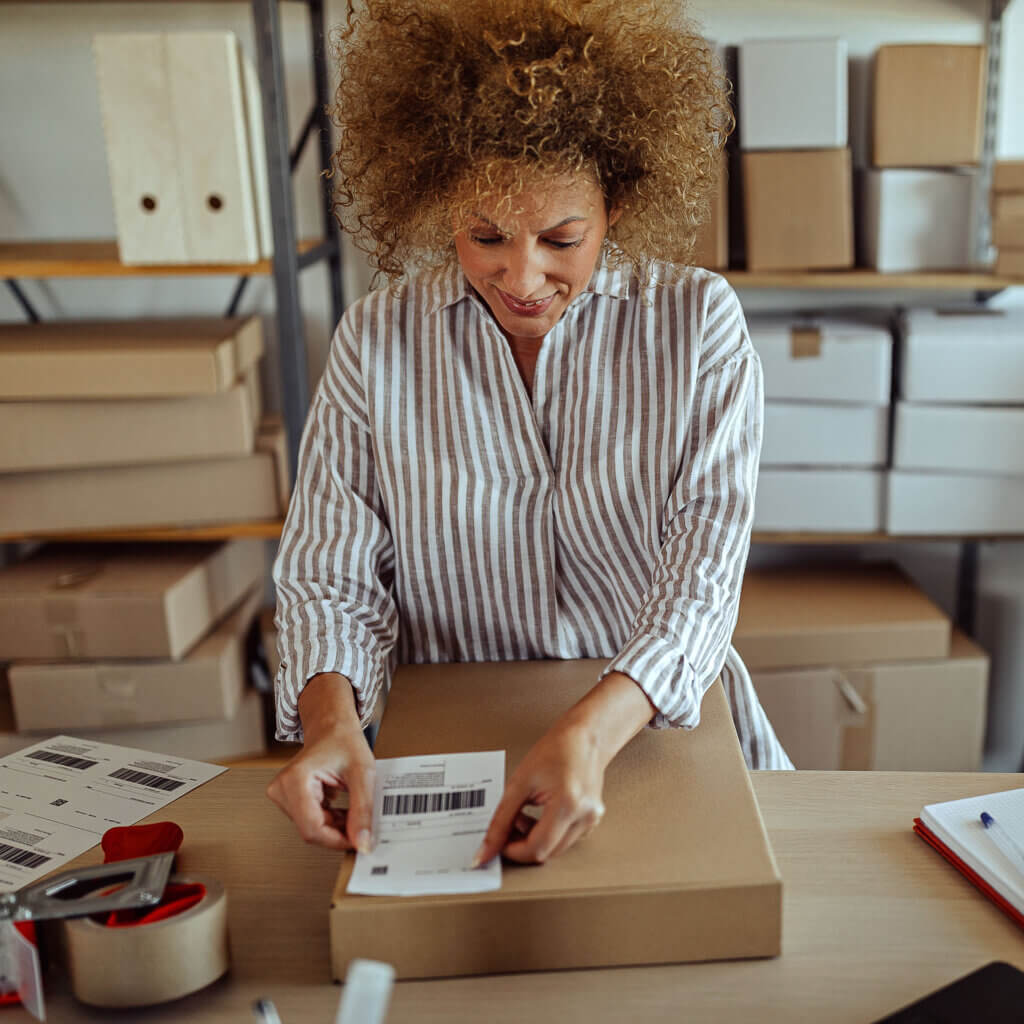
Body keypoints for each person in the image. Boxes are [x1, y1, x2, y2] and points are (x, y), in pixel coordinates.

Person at [267, 0, 792, 867]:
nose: (522, 276)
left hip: (647, 728)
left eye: (561, 238)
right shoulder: (376, 340)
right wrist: (329, 723)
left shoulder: (698, 326)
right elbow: (330, 574)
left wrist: (591, 731)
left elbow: (703, 577)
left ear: (617, 199)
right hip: (451, 742)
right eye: (485, 236)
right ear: (439, 199)